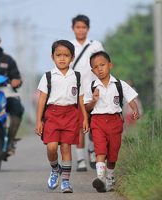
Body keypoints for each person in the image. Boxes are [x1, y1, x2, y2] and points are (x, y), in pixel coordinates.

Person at [35, 40, 89, 193]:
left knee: (66, 147)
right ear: (52, 57)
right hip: (52, 115)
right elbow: (42, 99)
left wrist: (84, 118)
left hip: (71, 115)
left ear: (72, 58)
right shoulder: (48, 76)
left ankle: (65, 181)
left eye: (66, 55)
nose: (62, 58)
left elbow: (81, 99)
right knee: (52, 147)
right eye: (58, 55)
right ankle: (54, 169)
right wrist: (39, 120)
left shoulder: (77, 77)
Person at [84, 51, 140, 192]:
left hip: (115, 121)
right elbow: (86, 107)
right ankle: (100, 178)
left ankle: (110, 177)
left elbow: (131, 98)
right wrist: (94, 100)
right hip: (97, 121)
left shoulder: (119, 84)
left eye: (102, 65)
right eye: (96, 67)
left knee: (113, 152)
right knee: (100, 149)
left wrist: (135, 109)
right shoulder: (91, 87)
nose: (100, 69)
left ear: (110, 65)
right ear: (92, 70)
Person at [71, 14, 104, 171]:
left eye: (84, 27)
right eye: (78, 27)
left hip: (94, 90)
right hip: (76, 92)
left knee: (94, 124)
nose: (81, 30)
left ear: (88, 29)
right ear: (73, 29)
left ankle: (92, 150)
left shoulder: (95, 45)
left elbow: (102, 65)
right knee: (79, 126)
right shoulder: (68, 46)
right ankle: (80, 159)